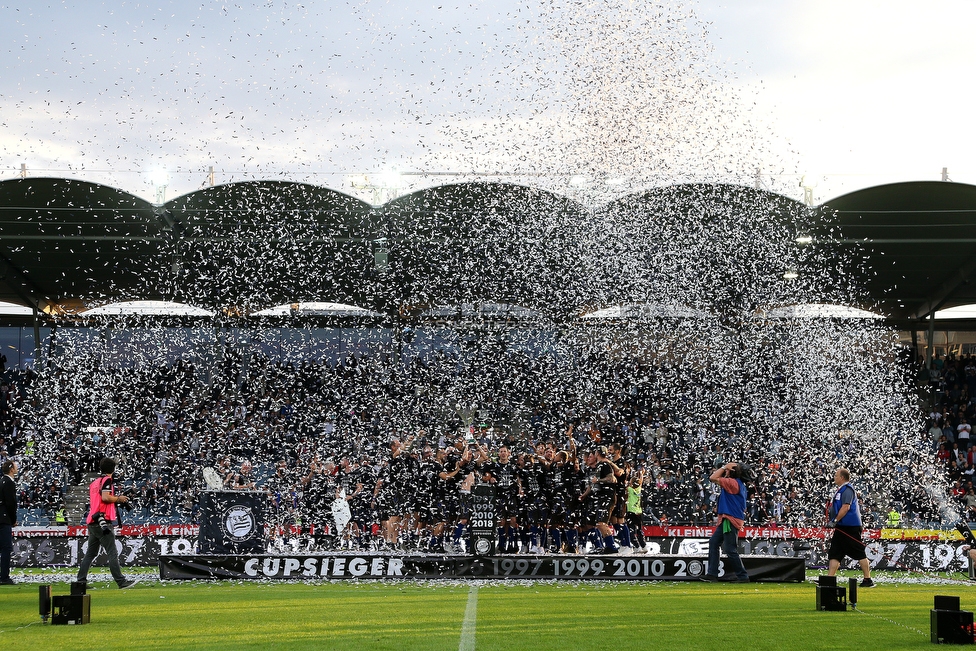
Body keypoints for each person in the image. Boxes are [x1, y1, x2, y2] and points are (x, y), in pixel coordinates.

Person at [76, 457, 137, 589]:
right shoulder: (107, 480)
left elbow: (99, 499)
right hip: (103, 521)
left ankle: (80, 582)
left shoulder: (95, 482)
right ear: (113, 469)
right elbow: (105, 497)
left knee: (90, 554)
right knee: (112, 552)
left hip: (93, 520)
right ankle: (121, 581)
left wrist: (115, 499)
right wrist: (118, 499)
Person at [701, 461, 751, 583]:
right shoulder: (737, 483)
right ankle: (712, 574)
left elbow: (713, 477)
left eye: (728, 470)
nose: (725, 472)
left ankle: (743, 576)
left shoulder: (732, 483)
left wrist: (724, 467)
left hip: (730, 519)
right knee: (714, 542)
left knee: (730, 549)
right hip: (728, 518)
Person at [826, 467, 874, 588]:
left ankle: (868, 579)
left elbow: (846, 507)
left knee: (859, 552)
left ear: (842, 478)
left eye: (836, 476)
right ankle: (829, 580)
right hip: (841, 526)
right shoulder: (841, 490)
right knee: (835, 553)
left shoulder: (847, 490)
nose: (834, 477)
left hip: (850, 527)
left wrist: (835, 520)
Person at [0, 460, 18, 585]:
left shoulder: (1, 481)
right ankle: (4, 577)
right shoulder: (9, 483)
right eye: (15, 466)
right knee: (6, 548)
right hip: (4, 519)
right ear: (11, 469)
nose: (17, 468)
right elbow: (10, 503)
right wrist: (13, 520)